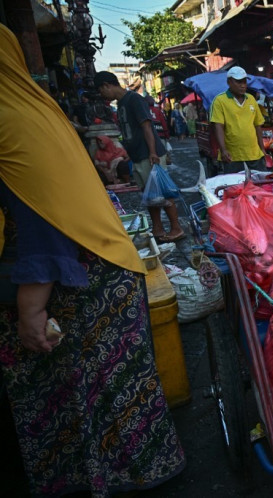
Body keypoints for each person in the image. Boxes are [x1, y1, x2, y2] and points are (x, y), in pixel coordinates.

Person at [0, 24, 185, 496]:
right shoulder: (33, 108)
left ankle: (118, 476)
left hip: (81, 272)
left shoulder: (10, 117)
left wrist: (31, 307)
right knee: (109, 392)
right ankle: (128, 470)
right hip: (96, 261)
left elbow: (40, 215)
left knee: (95, 391)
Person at [93, 71, 185, 243]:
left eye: (101, 90)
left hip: (149, 153)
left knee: (163, 192)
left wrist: (152, 152)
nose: (102, 95)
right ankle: (157, 227)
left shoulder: (134, 99)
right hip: (137, 156)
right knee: (150, 194)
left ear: (107, 85)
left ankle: (176, 228)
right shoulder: (121, 104)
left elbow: (146, 126)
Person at [210, 66, 268, 174]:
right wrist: (223, 150)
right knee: (235, 187)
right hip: (233, 157)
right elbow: (218, 126)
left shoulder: (251, 99)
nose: (243, 85)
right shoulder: (220, 101)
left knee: (259, 186)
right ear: (229, 82)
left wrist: (262, 149)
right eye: (238, 82)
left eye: (244, 82)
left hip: (254, 154)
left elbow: (257, 125)